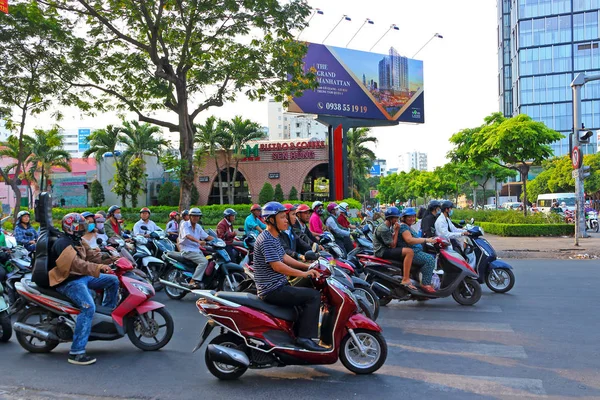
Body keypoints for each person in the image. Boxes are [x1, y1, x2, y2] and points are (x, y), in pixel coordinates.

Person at [253, 201, 324, 352]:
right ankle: (304, 338)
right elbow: (278, 265)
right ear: (271, 220)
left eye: (286, 217)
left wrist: (307, 266)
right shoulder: (266, 239)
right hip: (272, 290)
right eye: (282, 217)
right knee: (313, 296)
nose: (286, 220)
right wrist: (304, 273)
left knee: (305, 290)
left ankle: (297, 334)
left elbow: (284, 257)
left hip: (279, 285)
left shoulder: (273, 237)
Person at [50, 213, 119, 365]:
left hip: (81, 276)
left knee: (113, 281)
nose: (82, 228)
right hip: (69, 281)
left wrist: (110, 257)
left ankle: (104, 319)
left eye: (83, 225)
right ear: (70, 227)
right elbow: (77, 265)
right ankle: (76, 352)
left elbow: (92, 256)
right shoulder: (63, 243)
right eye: (79, 226)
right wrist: (100, 267)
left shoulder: (78, 240)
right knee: (88, 308)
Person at [372, 206, 417, 290]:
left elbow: (390, 238)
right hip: (382, 251)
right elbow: (392, 245)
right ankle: (405, 279)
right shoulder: (384, 229)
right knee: (409, 252)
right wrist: (396, 231)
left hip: (385, 248)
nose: (397, 220)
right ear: (390, 218)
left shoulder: (387, 226)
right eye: (396, 218)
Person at [398, 208, 437, 293]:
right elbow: (409, 240)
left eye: (413, 217)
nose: (411, 219)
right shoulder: (404, 227)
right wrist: (426, 240)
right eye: (409, 217)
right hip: (412, 253)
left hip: (415, 251)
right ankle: (425, 284)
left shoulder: (408, 227)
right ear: (404, 218)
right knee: (429, 260)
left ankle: (418, 281)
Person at [179, 208, 215, 289]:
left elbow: (206, 236)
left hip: (197, 250)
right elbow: (187, 235)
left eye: (198, 216)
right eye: (194, 216)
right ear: (190, 216)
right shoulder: (184, 224)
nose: (196, 218)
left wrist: (218, 240)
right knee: (203, 261)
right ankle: (193, 280)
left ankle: (204, 280)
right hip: (187, 250)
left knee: (211, 259)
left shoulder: (198, 226)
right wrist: (198, 241)